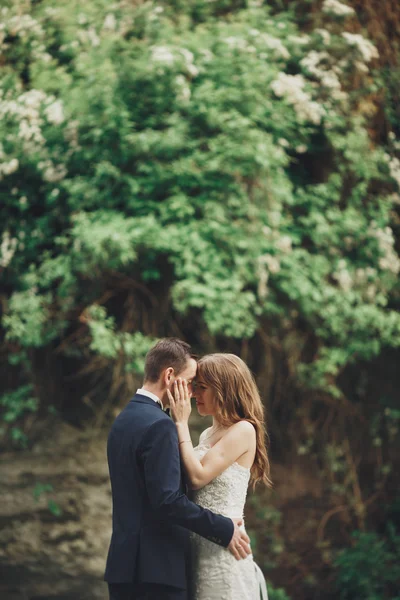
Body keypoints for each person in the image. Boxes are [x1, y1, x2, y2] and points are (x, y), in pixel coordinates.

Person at [104, 339, 251, 600]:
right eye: (191, 381)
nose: (193, 392)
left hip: (124, 567)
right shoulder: (161, 425)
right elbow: (168, 500)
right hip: (157, 571)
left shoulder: (124, 419)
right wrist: (223, 528)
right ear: (170, 375)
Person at [168, 353, 272, 600]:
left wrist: (180, 423)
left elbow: (197, 477)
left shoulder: (244, 430)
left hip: (224, 549)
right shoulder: (207, 434)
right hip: (199, 545)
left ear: (225, 390)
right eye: (195, 387)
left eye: (202, 388)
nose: (194, 395)